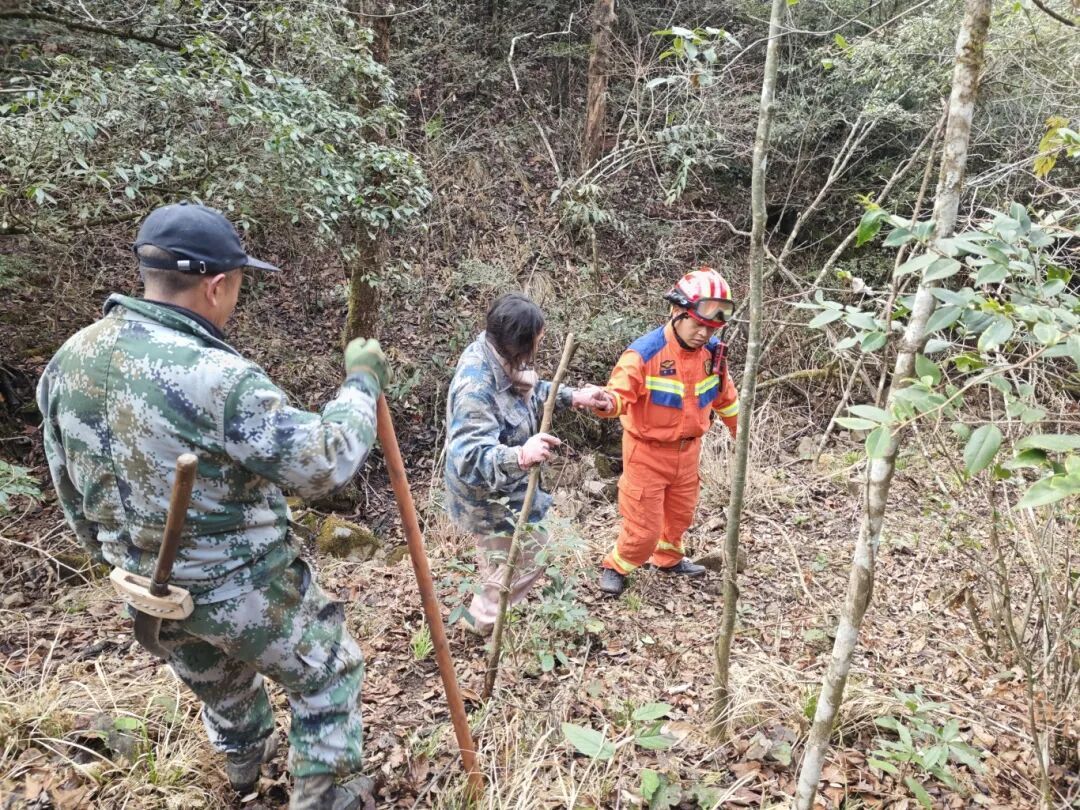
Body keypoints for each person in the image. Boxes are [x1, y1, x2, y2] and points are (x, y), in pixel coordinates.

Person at [36, 202, 387, 810]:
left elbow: (68, 488)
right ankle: (326, 797)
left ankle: (246, 772)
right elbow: (324, 462)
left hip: (147, 593)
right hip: (240, 588)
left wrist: (118, 560)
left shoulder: (69, 361)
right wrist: (360, 382)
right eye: (239, 284)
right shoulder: (218, 377)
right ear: (217, 285)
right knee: (328, 669)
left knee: (222, 686)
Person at [444, 292, 612, 634]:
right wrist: (520, 454)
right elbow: (469, 456)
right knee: (532, 550)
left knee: (502, 556)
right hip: (488, 496)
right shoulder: (476, 387)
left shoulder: (502, 356)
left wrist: (574, 396)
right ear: (518, 341)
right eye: (537, 338)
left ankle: (485, 611)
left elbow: (529, 392)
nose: (540, 343)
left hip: (508, 487)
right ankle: (482, 622)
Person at [593, 268, 740, 597]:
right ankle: (617, 565)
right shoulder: (644, 353)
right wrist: (605, 402)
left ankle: (668, 559)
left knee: (680, 515)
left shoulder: (713, 355)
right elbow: (618, 395)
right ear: (676, 312)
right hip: (646, 453)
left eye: (711, 328)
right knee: (644, 527)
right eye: (698, 324)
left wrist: (740, 432)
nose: (704, 333)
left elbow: (726, 399)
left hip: (688, 453)